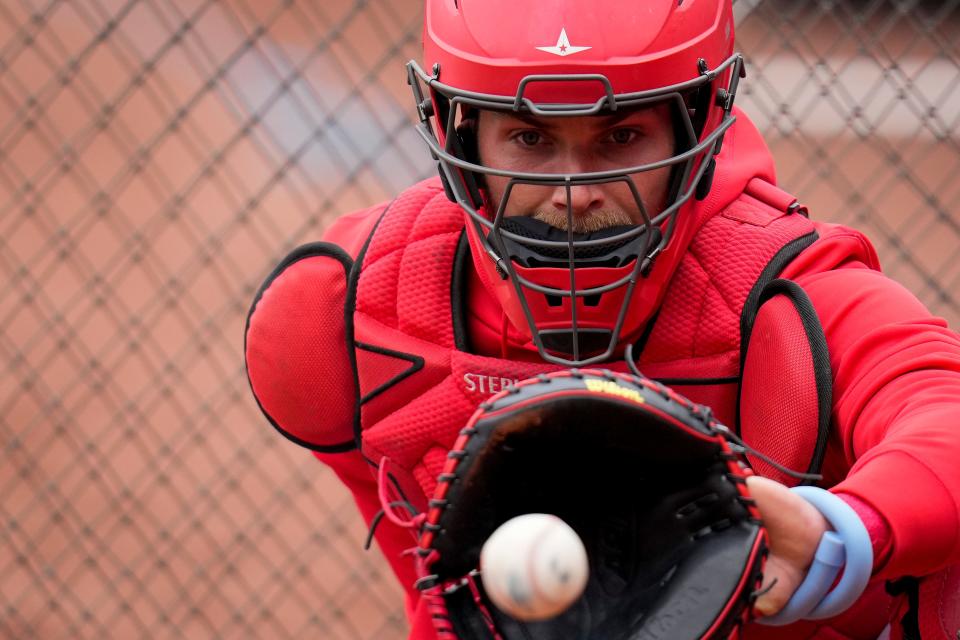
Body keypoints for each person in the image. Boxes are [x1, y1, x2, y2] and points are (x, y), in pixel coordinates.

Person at [244, 0, 960, 637]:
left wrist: (840, 532)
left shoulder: (781, 296)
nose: (572, 191)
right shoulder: (357, 315)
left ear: (701, 121)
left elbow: (943, 410)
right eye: (529, 139)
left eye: (620, 139)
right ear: (462, 138)